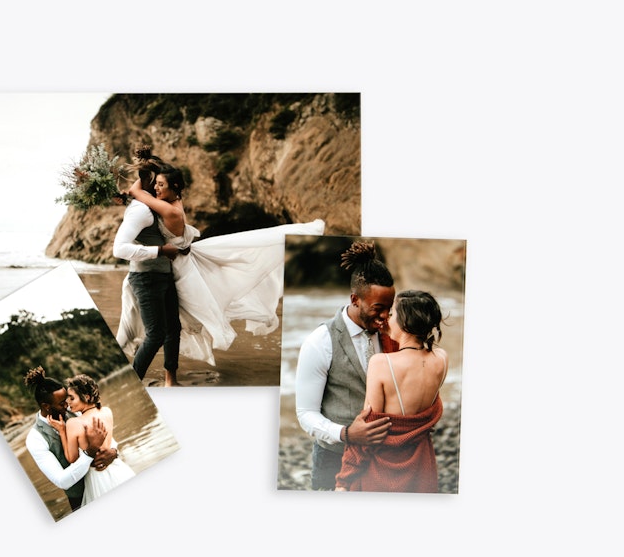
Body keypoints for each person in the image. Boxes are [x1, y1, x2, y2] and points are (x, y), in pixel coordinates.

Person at [115, 146, 326, 373]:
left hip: (175, 267)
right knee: (170, 326)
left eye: (161, 184)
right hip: (165, 268)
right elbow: (140, 191)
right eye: (155, 183)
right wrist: (146, 168)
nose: (156, 189)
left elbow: (137, 192)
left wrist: (133, 189)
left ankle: (154, 372)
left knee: (180, 322)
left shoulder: (169, 210)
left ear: (174, 187)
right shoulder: (160, 203)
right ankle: (158, 373)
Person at [294, 240, 398, 490]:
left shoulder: (391, 334)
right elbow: (305, 414)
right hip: (333, 460)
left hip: (383, 458)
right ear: (355, 299)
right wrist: (347, 434)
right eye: (378, 308)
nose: (385, 316)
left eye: (390, 308)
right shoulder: (320, 341)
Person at [335, 290, 448, 492]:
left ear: (406, 322)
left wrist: (344, 479)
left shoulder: (381, 363)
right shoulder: (441, 358)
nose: (387, 318)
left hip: (383, 469)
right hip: (422, 465)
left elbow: (368, 426)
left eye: (393, 313)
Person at [112, 149, 183, 386]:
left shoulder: (154, 204)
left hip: (164, 275)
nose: (160, 186)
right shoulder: (141, 210)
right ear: (151, 183)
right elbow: (119, 249)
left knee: (174, 328)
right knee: (156, 335)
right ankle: (133, 384)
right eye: (158, 181)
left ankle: (170, 380)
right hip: (146, 278)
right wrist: (160, 251)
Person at [22, 367, 119, 512]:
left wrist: (115, 452)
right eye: (62, 403)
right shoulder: (35, 439)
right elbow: (62, 481)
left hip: (106, 479)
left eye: (68, 398)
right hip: (80, 500)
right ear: (46, 406)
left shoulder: (76, 410)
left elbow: (104, 436)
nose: (67, 404)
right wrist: (90, 452)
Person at [51, 374, 136, 504]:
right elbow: (109, 443)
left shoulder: (74, 423)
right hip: (117, 468)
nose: (67, 402)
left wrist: (62, 431)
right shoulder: (107, 411)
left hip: (96, 476)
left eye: (71, 398)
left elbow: (72, 458)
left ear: (86, 397)